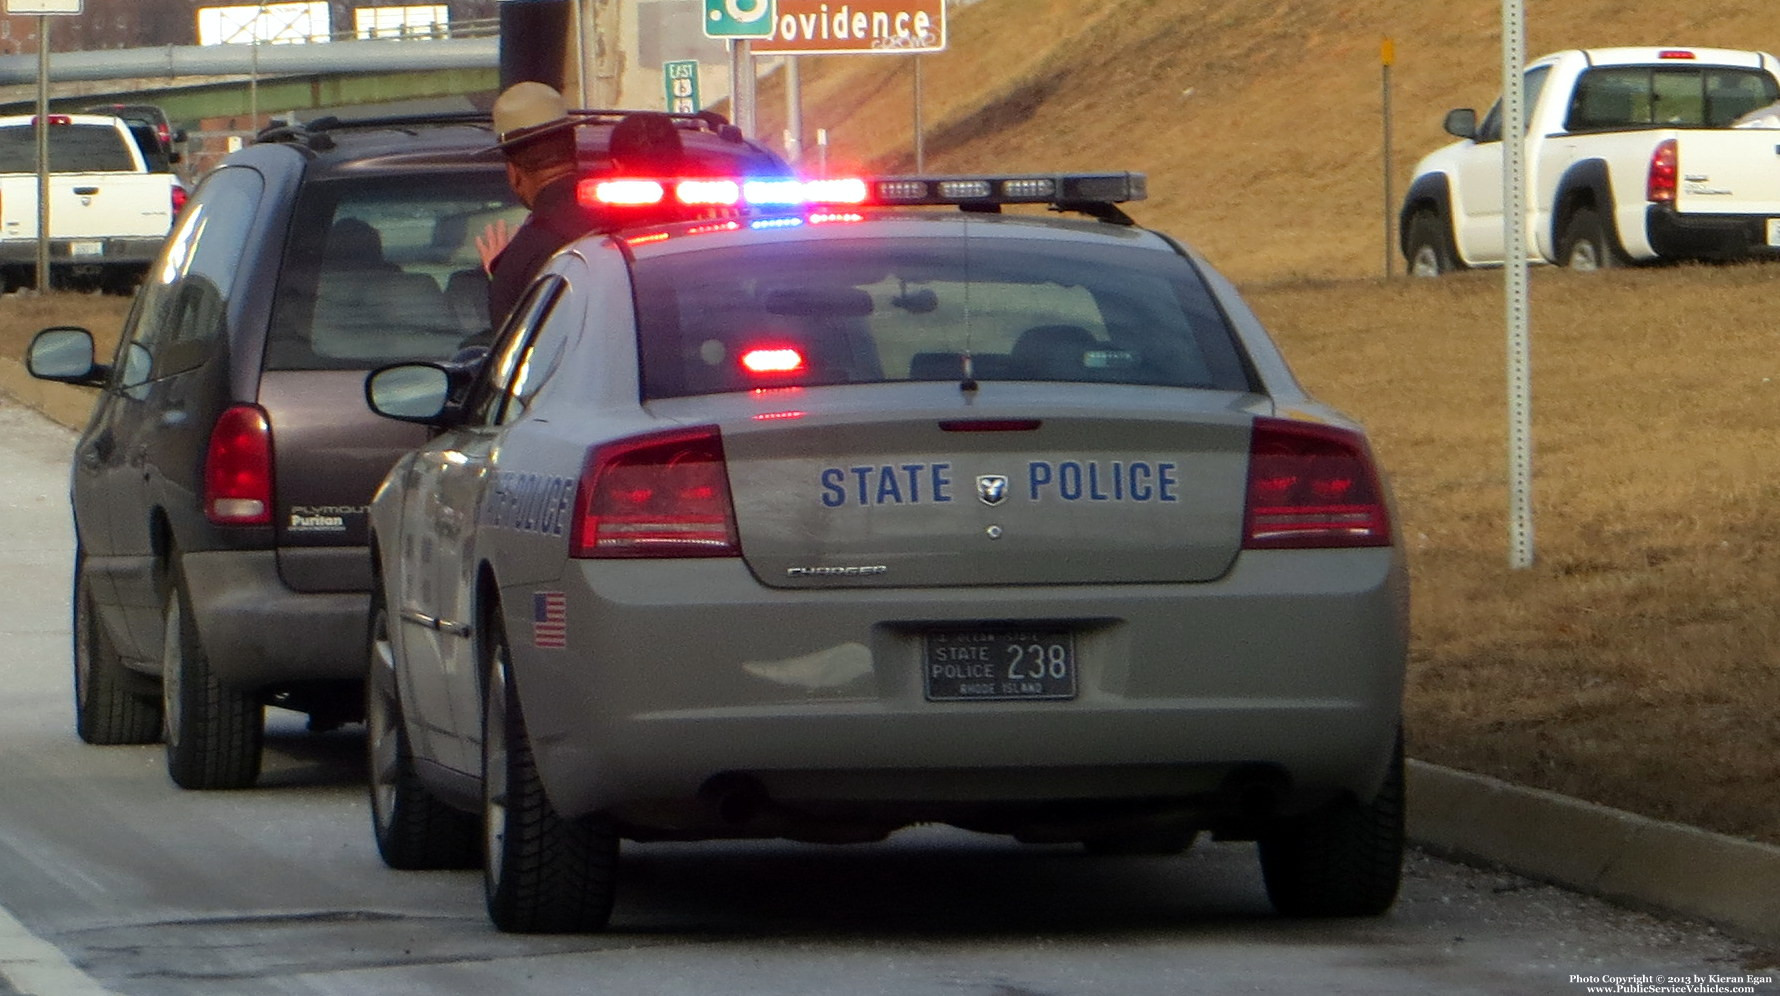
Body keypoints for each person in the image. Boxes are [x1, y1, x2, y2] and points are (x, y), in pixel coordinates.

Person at [478, 82, 597, 327]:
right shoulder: (633, 220)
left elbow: (518, 359)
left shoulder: (518, 265)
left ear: (514, 174)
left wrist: (502, 274)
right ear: (574, 147)